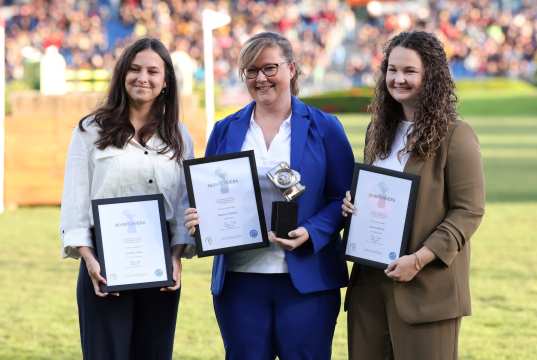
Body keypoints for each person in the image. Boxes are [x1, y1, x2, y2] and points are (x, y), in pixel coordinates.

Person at [184, 32, 354, 360]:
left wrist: (312, 231)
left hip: (307, 282)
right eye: (251, 71)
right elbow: (208, 193)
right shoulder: (226, 129)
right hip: (240, 281)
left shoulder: (325, 128)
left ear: (291, 69)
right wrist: (199, 218)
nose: (261, 78)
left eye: (269, 68)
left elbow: (342, 198)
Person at [342, 31, 485, 360]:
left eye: (409, 71)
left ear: (431, 76)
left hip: (426, 291)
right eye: (392, 70)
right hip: (370, 289)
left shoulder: (456, 136)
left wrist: (419, 259)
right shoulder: (377, 130)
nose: (398, 79)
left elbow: (468, 211)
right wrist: (353, 206)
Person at [60, 37, 194, 360]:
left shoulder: (178, 134)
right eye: (134, 69)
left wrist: (176, 257)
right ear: (122, 75)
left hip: (160, 266)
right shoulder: (89, 131)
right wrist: (90, 261)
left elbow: (181, 204)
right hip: (104, 263)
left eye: (152, 71)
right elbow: (75, 202)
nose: (142, 78)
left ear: (165, 81)